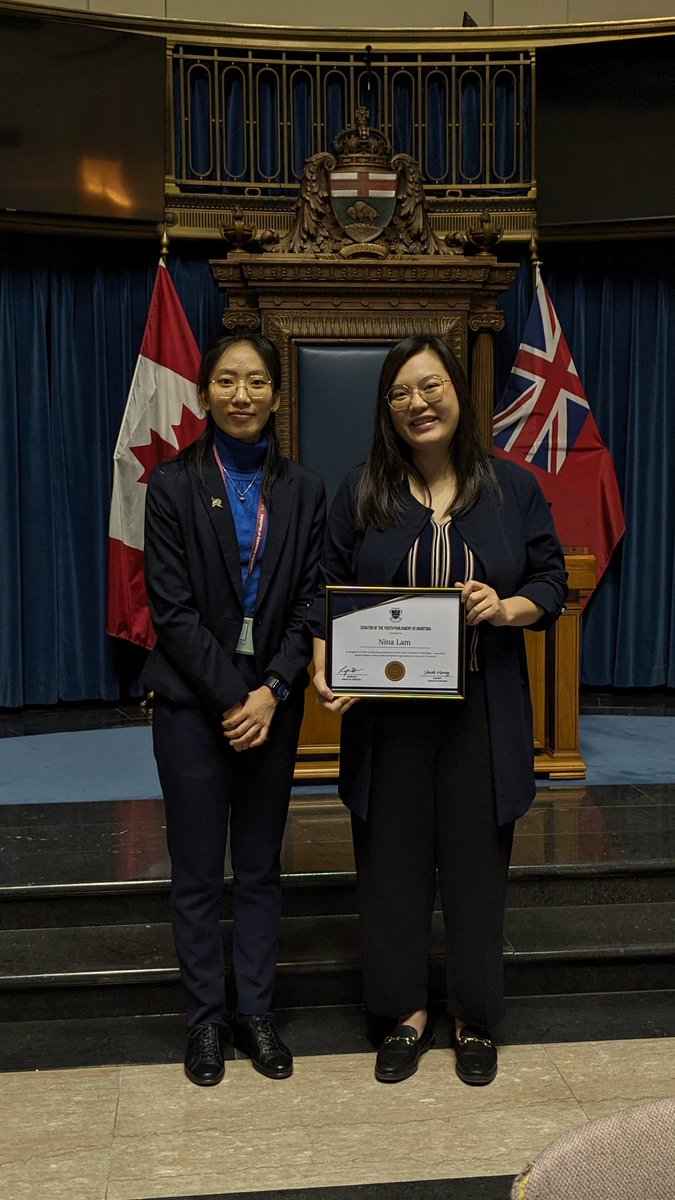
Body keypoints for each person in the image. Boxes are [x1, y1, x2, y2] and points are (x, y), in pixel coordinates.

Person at [311, 335, 567, 1087]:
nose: (417, 404)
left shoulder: (511, 488)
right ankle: (402, 1015)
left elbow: (550, 578)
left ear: (458, 394)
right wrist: (326, 662)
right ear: (385, 410)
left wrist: (507, 604)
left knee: (474, 871)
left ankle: (472, 1019)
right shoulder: (361, 489)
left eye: (430, 387)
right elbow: (323, 592)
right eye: (400, 393)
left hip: (480, 717)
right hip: (387, 722)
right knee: (389, 870)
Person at [143, 331, 325, 1087]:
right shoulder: (171, 484)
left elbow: (313, 598)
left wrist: (273, 690)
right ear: (205, 391)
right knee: (195, 873)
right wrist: (235, 697)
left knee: (257, 868)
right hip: (193, 705)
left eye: (255, 381)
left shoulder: (305, 490)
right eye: (227, 380)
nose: (242, 394)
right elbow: (171, 611)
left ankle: (254, 1012)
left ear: (277, 395)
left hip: (272, 704)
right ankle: (204, 1024)